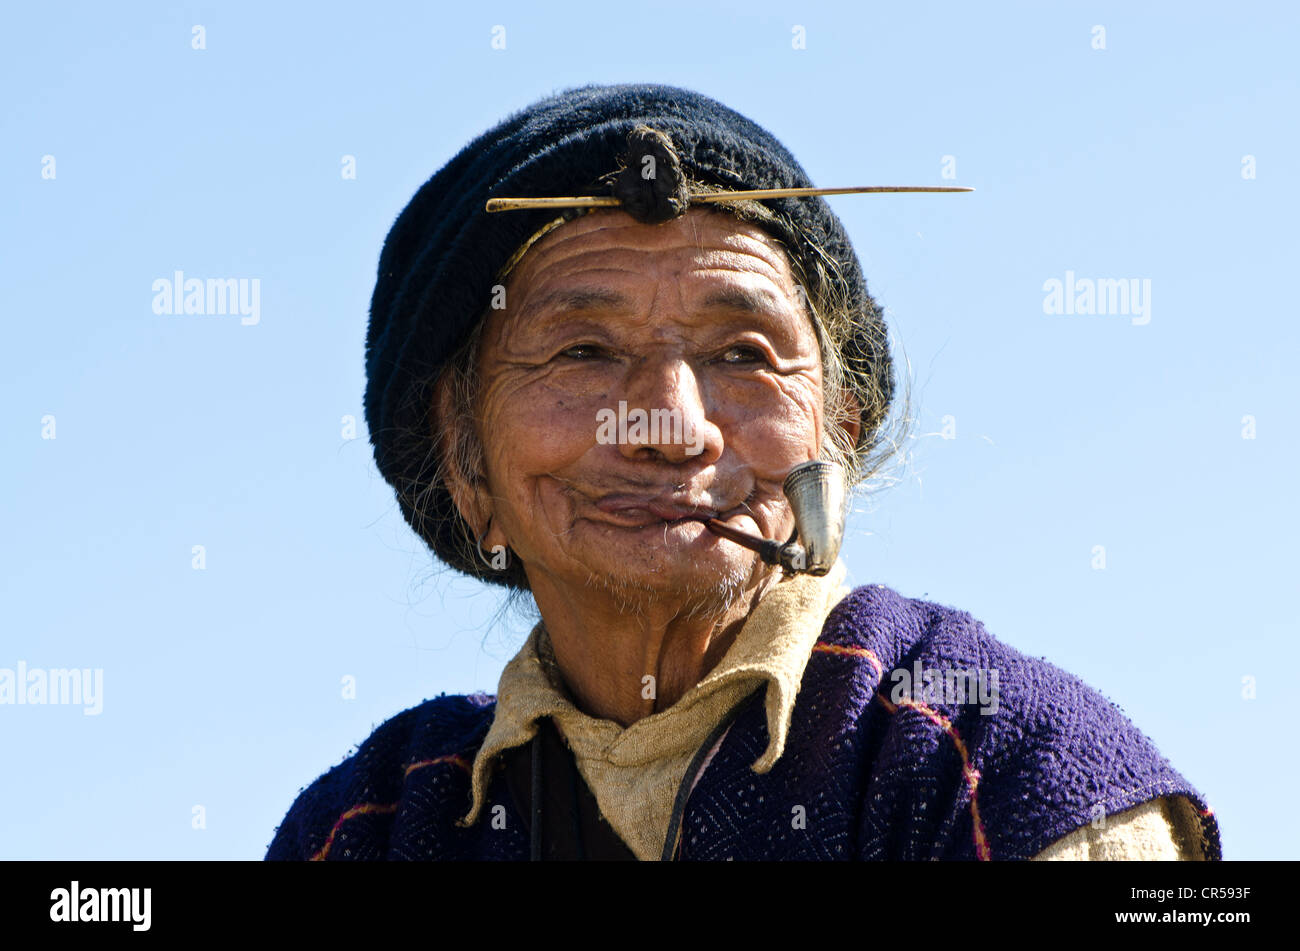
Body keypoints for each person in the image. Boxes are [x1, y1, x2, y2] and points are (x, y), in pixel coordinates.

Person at [265, 83, 1221, 861]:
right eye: (583, 351)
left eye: (743, 355)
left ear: (833, 435)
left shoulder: (997, 769)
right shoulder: (375, 825)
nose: (670, 427)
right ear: (465, 464)